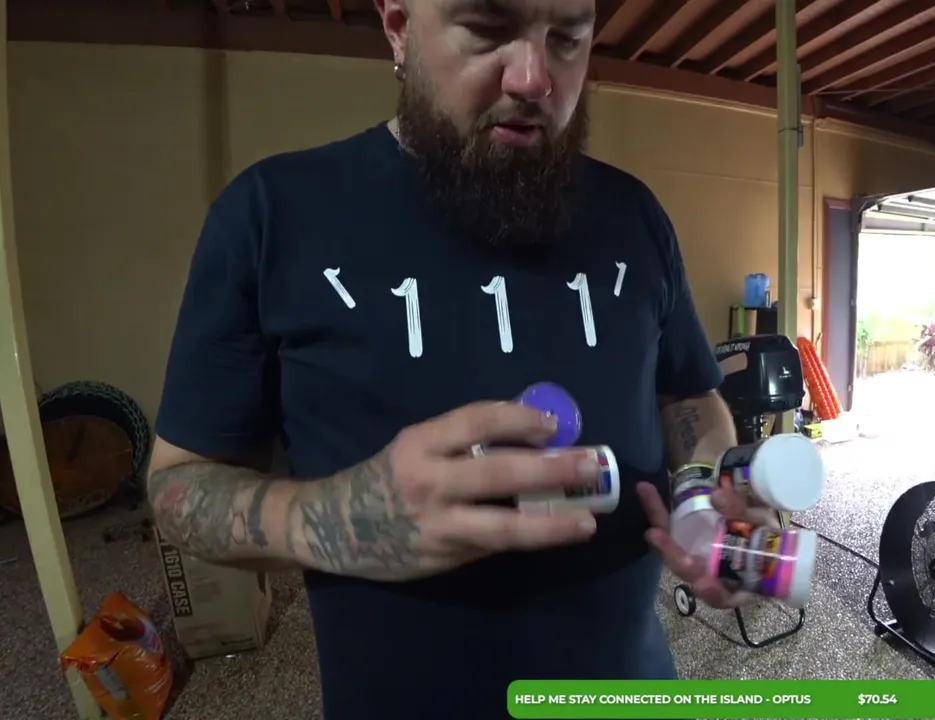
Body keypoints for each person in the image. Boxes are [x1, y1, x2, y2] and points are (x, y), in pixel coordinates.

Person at [146, 0, 772, 717]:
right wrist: (337, 516)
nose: (535, 77)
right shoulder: (270, 214)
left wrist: (705, 491)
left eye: (568, 38)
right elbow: (176, 490)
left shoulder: (635, 215)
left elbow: (689, 396)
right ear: (398, 28)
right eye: (487, 29)